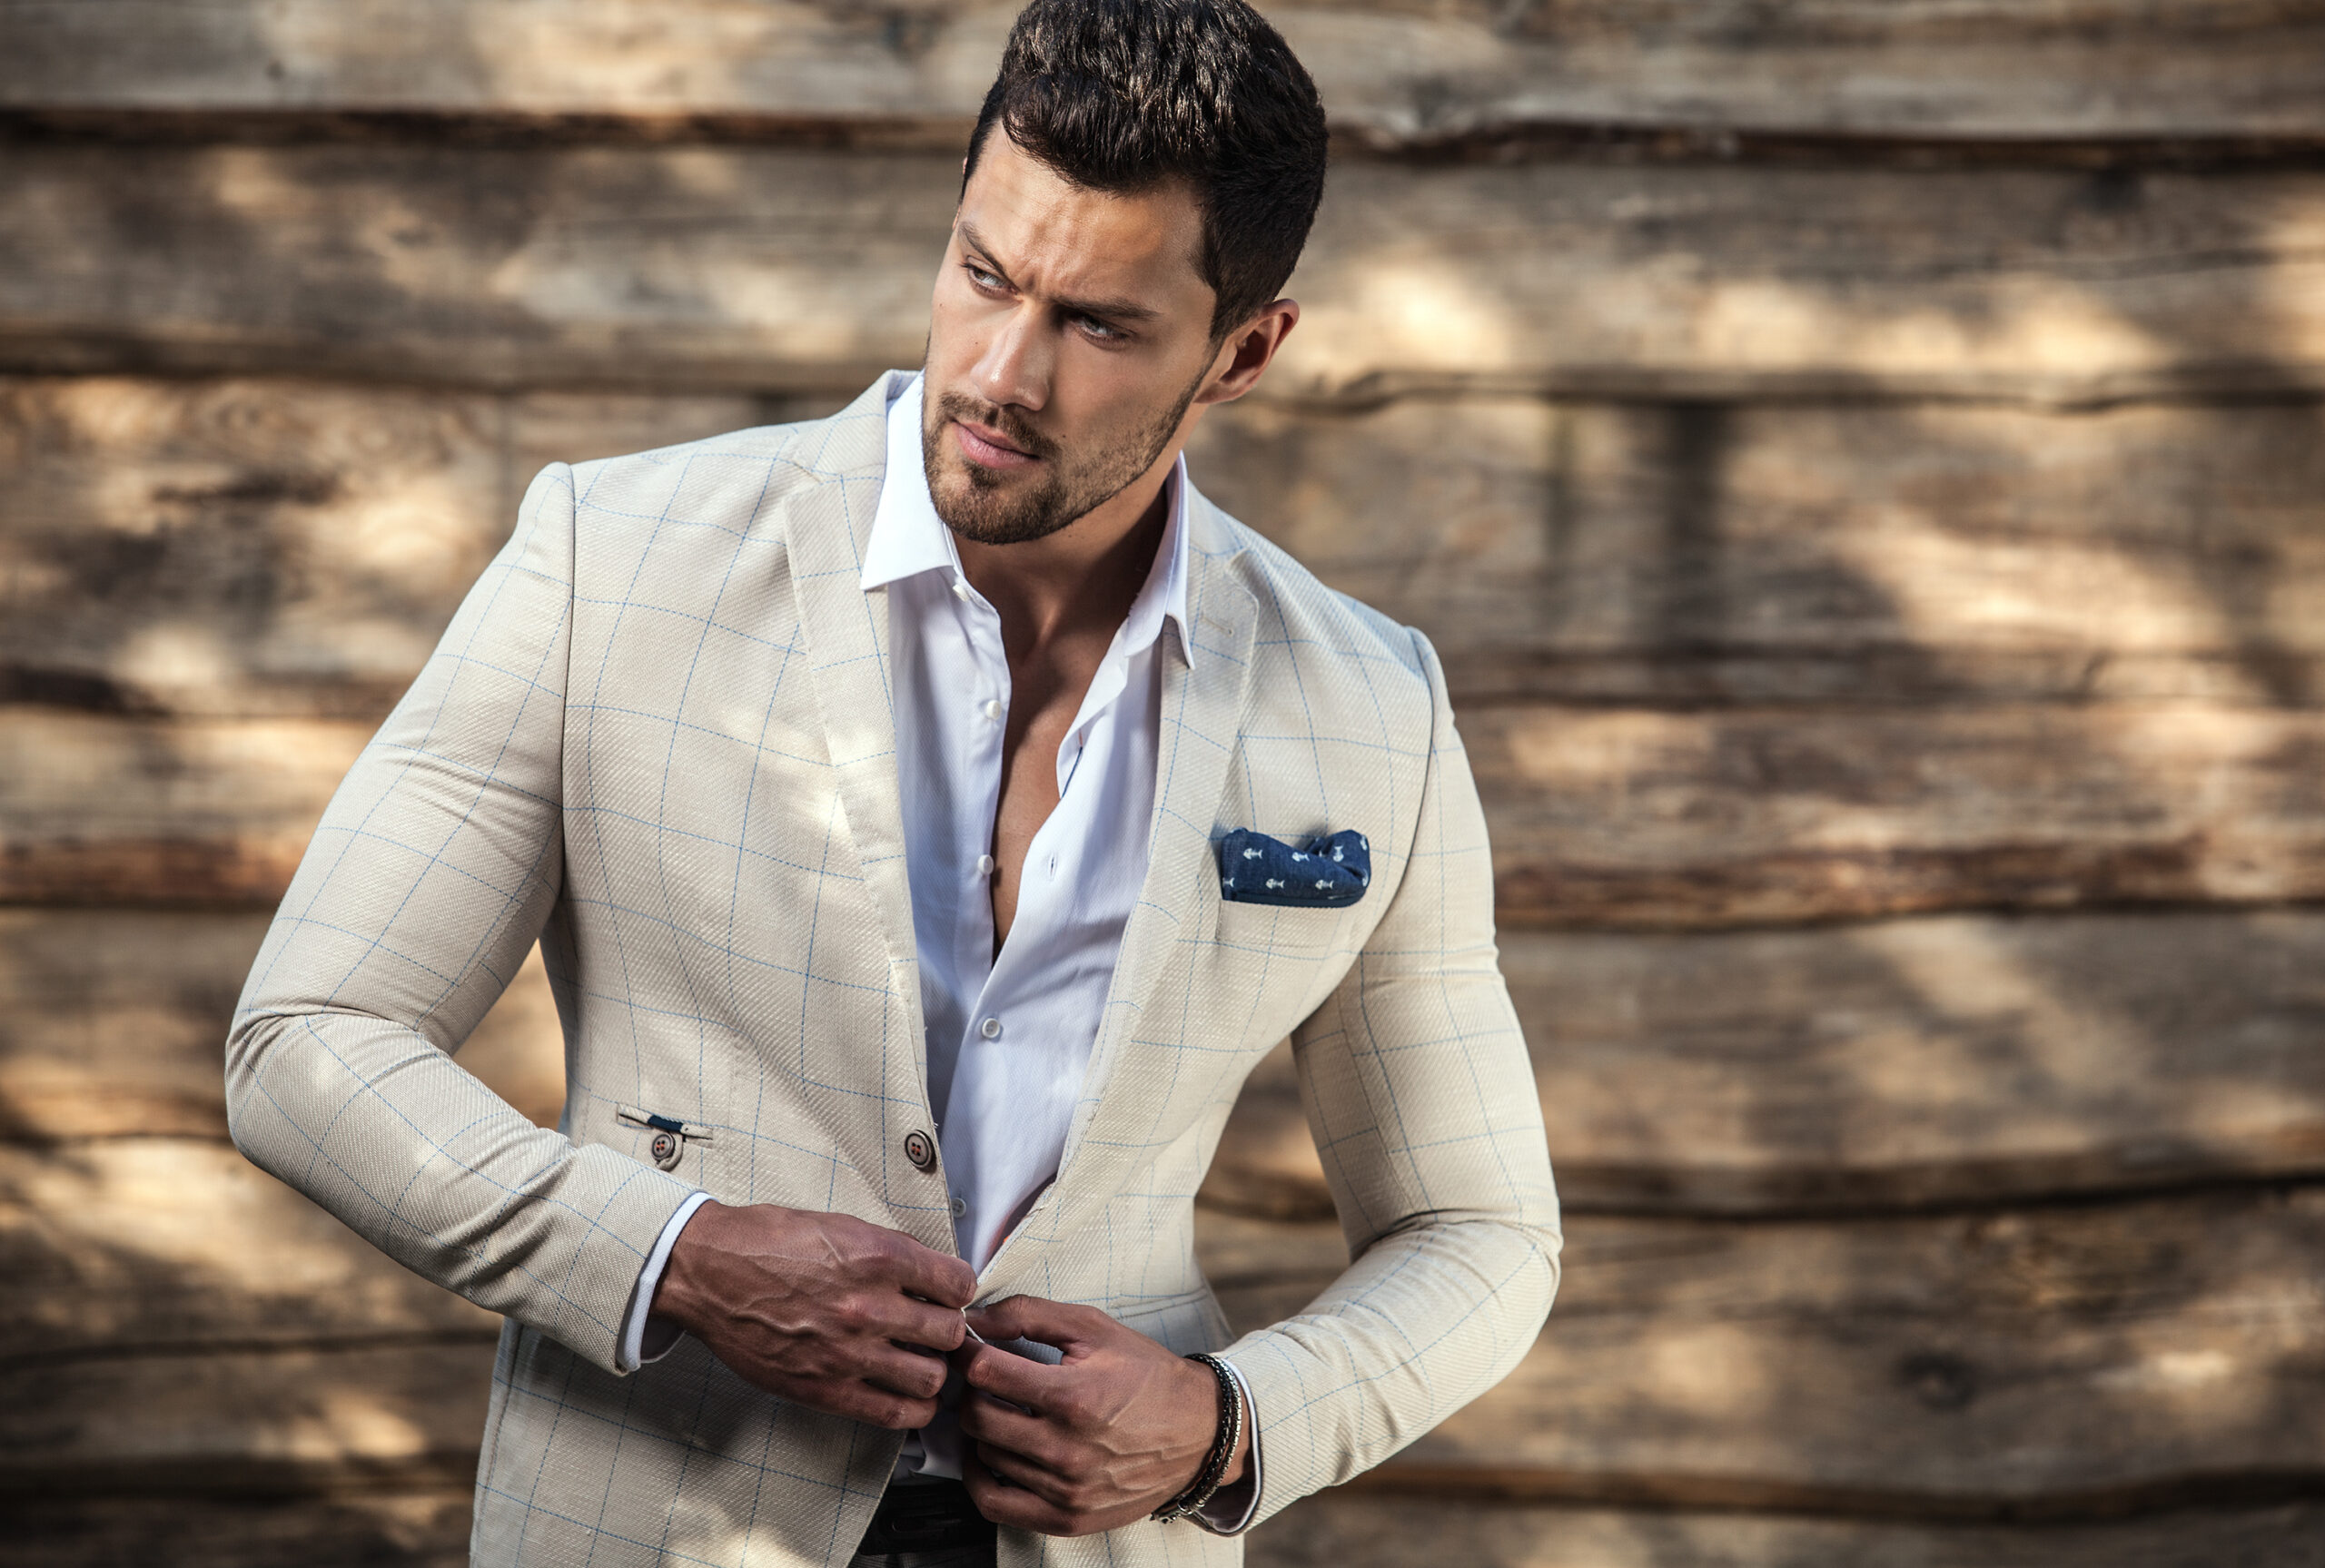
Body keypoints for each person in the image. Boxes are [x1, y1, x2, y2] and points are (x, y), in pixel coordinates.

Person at [224, 2, 1559, 1563]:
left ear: (1244, 352)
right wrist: (678, 1256)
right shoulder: (610, 559)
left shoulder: (1367, 702)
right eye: (985, 273)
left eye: (1101, 323)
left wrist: (1227, 1422)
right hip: (655, 1510)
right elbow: (305, 1044)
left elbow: (1478, 1231)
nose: (1001, 373)